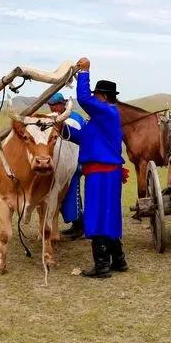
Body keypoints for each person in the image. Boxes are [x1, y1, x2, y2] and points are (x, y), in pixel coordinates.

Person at [61, 57, 128, 278]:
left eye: (96, 96)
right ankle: (118, 261)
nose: (94, 99)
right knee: (108, 214)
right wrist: (62, 130)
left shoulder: (107, 112)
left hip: (102, 173)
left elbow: (83, 97)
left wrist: (84, 72)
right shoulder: (100, 120)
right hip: (104, 172)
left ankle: (102, 267)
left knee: (97, 214)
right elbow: (85, 139)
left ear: (103, 97)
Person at [48, 92, 86, 240]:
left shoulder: (75, 118)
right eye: (51, 106)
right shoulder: (53, 118)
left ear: (63, 104)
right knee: (61, 198)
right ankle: (76, 225)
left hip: (75, 162)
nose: (54, 109)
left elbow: (81, 139)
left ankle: (80, 226)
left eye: (56, 105)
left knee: (71, 197)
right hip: (61, 164)